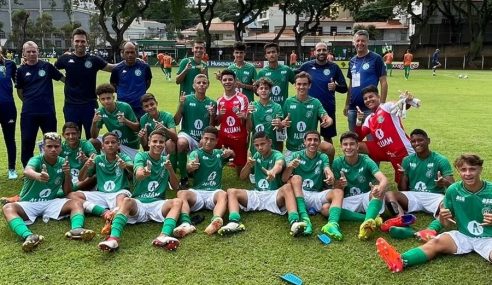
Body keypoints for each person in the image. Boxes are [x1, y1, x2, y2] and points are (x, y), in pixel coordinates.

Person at [376, 154, 492, 273]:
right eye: (463, 169)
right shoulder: (453, 190)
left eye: (472, 169)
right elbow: (446, 223)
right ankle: (401, 260)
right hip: (463, 235)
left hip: (488, 238)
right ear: (458, 171)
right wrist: (443, 216)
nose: (467, 173)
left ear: (480, 169)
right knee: (436, 242)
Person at [2, 132, 95, 252]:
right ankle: (29, 236)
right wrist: (38, 176)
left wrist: (67, 175)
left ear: (60, 147)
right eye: (49, 146)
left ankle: (76, 229)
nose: (53, 149)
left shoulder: (63, 162)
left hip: (51, 201)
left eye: (56, 146)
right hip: (29, 203)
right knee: (8, 208)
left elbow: (67, 191)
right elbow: (27, 171)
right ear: (43, 147)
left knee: (76, 203)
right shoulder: (37, 159)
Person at [98, 130, 182, 252]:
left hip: (157, 204)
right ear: (149, 142)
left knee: (178, 202)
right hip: (140, 203)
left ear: (164, 144)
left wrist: (170, 170)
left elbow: (175, 187)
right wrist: (144, 173)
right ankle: (113, 239)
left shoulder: (166, 159)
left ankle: (163, 236)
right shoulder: (141, 156)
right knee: (127, 201)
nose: (158, 144)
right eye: (154, 141)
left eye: (161, 142)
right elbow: (138, 174)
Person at [218, 131, 307, 236]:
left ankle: (294, 222)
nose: (260, 147)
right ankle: (234, 222)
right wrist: (248, 164)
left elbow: (279, 164)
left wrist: (272, 172)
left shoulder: (277, 155)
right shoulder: (256, 155)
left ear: (270, 142)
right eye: (256, 145)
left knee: (287, 187)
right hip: (258, 194)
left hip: (274, 194)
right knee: (231, 191)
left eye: (262, 144)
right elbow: (242, 177)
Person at [383, 129, 454, 241]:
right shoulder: (407, 160)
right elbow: (403, 190)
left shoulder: (441, 160)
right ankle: (402, 223)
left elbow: (453, 187)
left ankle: (431, 230)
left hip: (435, 196)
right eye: (413, 141)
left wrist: (444, 182)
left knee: (449, 203)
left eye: (420, 140)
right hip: (414, 195)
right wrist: (402, 176)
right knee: (389, 195)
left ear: (428, 141)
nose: (416, 143)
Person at [324, 131, 388, 241]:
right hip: (348, 199)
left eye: (352, 144)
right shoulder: (337, 163)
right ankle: (368, 219)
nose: (348, 147)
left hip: (365, 197)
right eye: (345, 144)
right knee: (325, 209)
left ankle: (366, 225)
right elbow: (336, 189)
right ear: (341, 146)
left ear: (357, 146)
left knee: (378, 191)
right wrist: (340, 185)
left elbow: (383, 179)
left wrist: (380, 187)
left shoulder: (366, 160)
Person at [172, 126, 234, 237]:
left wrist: (230, 152)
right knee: (181, 193)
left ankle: (216, 220)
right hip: (198, 193)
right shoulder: (196, 153)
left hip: (214, 193)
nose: (208, 142)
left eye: (212, 139)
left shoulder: (220, 153)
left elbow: (232, 155)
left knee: (223, 194)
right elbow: (189, 166)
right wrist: (190, 166)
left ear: (216, 141)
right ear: (201, 139)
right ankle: (186, 224)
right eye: (206, 138)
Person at [55, 28, 114, 139]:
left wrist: (130, 60)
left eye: (82, 41)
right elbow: (52, 69)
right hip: (71, 106)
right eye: (77, 41)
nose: (80, 44)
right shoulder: (65, 58)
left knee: (92, 138)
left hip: (89, 105)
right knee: (72, 138)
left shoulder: (94, 59)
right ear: (72, 41)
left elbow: (112, 68)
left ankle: (92, 157)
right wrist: (64, 79)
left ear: (87, 42)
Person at [70, 132, 133, 235]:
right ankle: (103, 212)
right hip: (101, 194)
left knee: (124, 200)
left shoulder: (124, 157)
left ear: (118, 145)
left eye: (113, 142)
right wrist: (86, 165)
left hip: (119, 192)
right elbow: (81, 178)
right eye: (107, 143)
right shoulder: (98, 159)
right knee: (72, 195)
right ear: (102, 146)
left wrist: (125, 166)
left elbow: (133, 172)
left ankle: (112, 218)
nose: (110, 145)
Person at [16, 41, 65, 167]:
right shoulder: (21, 70)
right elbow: (20, 91)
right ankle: (28, 169)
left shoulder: (47, 66)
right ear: (24, 53)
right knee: (27, 141)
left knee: (52, 141)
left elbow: (63, 78)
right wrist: (29, 101)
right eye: (29, 51)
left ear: (38, 52)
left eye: (34, 51)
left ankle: (52, 167)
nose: (32, 54)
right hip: (29, 113)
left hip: (47, 111)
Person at [355, 85, 415, 183]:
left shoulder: (386, 107)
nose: (368, 100)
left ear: (378, 97)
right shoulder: (369, 118)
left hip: (404, 152)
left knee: (408, 182)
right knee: (356, 145)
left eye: (371, 97)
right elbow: (358, 138)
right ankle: (365, 174)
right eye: (365, 99)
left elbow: (399, 105)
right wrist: (358, 121)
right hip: (387, 152)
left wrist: (406, 101)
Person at [283, 130, 335, 236]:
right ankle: (306, 219)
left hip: (316, 194)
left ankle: (362, 218)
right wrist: (290, 167)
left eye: (315, 140)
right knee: (295, 178)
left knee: (333, 200)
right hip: (299, 194)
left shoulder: (322, 156)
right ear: (304, 142)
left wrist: (330, 176)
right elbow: (284, 179)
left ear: (319, 142)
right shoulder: (296, 155)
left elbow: (327, 169)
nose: (312, 142)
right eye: (309, 140)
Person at [298, 41, 348, 143]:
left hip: (327, 107)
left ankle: (329, 159)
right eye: (319, 50)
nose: (321, 52)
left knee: (327, 137)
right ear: (314, 52)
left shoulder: (334, 67)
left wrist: (336, 87)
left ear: (328, 52)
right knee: (307, 136)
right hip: (309, 107)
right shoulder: (306, 66)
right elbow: (292, 77)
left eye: (324, 50)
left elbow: (344, 88)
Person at [174, 74, 217, 189]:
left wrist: (212, 115)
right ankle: (184, 177)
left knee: (207, 145)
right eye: (198, 83)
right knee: (181, 143)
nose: (201, 85)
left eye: (204, 83)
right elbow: (176, 121)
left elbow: (212, 128)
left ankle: (198, 173)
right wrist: (180, 105)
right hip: (188, 134)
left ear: (208, 85)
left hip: (203, 137)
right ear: (193, 85)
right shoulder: (186, 99)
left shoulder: (212, 103)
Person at [281, 72, 334, 162]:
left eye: (305, 84)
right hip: (292, 149)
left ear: (309, 86)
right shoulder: (288, 102)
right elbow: (281, 121)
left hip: (311, 147)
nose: (301, 87)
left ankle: (328, 170)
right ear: (295, 85)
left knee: (329, 148)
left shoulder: (315, 102)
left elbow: (326, 117)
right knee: (287, 173)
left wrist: (328, 120)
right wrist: (282, 123)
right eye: (299, 84)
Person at [345, 30, 388, 132]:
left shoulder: (376, 58)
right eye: (358, 41)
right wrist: (347, 104)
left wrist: (381, 104)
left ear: (367, 42)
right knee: (353, 139)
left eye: (363, 41)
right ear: (354, 42)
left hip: (370, 107)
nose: (360, 43)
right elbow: (351, 84)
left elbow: (383, 82)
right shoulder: (352, 61)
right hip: (353, 108)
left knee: (372, 138)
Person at [91, 83, 140, 159]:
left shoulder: (125, 107)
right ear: (99, 100)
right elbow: (94, 136)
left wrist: (125, 121)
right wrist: (94, 123)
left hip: (130, 146)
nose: (106, 101)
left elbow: (138, 128)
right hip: (114, 143)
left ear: (113, 97)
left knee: (131, 167)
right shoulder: (100, 111)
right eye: (103, 99)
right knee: (93, 142)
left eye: (108, 98)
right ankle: (98, 163)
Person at [216, 69, 249, 175]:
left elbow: (245, 119)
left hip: (239, 136)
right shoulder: (219, 100)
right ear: (221, 81)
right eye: (224, 80)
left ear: (235, 81)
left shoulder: (242, 98)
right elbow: (217, 122)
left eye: (230, 79)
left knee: (240, 173)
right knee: (207, 147)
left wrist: (243, 116)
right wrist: (219, 115)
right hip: (223, 136)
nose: (227, 82)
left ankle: (236, 159)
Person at [110, 41, 152, 118]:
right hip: (122, 107)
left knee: (141, 129)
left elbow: (147, 83)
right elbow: (113, 85)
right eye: (127, 52)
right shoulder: (117, 69)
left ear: (136, 53)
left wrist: (139, 92)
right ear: (122, 53)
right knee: (124, 129)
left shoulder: (145, 67)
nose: (130, 55)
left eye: (132, 52)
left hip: (140, 107)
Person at [138, 93, 177, 166]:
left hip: (166, 147)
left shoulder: (167, 116)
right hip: (154, 146)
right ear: (143, 108)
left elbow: (175, 137)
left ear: (156, 103)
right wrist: (141, 137)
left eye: (152, 104)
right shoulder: (143, 119)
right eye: (146, 106)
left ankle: (172, 169)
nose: (150, 107)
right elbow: (144, 144)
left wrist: (164, 129)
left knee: (170, 143)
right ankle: (152, 163)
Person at [247, 77, 283, 151]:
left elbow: (279, 127)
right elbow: (249, 129)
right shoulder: (252, 106)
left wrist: (279, 124)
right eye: (261, 88)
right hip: (257, 147)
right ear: (257, 90)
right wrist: (248, 115)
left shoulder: (277, 106)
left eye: (266, 88)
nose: (263, 90)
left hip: (273, 147)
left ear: (270, 90)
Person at [61, 122, 98, 193]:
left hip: (83, 177)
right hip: (67, 177)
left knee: (94, 176)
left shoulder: (85, 144)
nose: (71, 137)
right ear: (63, 135)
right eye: (67, 134)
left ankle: (70, 191)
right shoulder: (60, 146)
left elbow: (95, 157)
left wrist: (87, 159)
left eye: (73, 133)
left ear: (78, 133)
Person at [257, 42, 295, 107]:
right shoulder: (262, 72)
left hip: (283, 108)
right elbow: (257, 91)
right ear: (265, 56)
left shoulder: (286, 69)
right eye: (268, 53)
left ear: (278, 53)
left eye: (273, 52)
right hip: (267, 109)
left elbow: (297, 84)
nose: (271, 54)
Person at [0, 45, 18, 179]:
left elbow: (19, 83)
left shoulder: (10, 64)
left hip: (8, 108)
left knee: (9, 138)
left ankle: (12, 168)